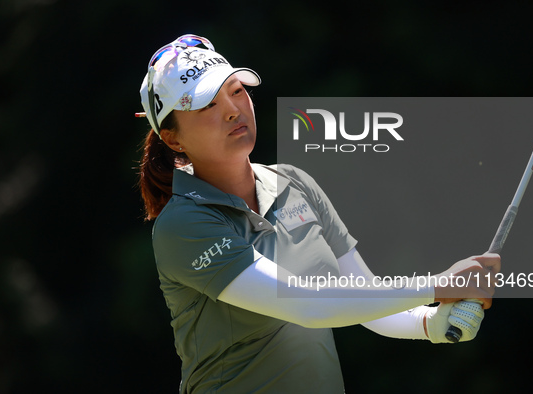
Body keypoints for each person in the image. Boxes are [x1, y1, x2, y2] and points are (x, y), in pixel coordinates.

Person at [136, 34, 501, 393]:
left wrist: (431, 323)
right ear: (172, 138)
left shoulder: (294, 182)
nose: (233, 109)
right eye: (206, 105)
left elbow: (362, 295)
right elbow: (306, 304)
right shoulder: (182, 225)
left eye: (236, 90)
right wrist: (438, 284)